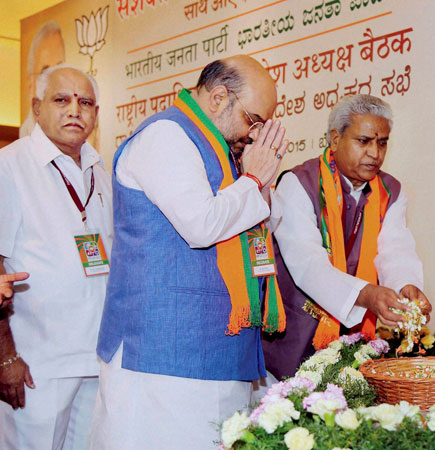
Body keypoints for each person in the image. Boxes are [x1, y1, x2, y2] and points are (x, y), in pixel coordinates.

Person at [89, 55, 288, 450]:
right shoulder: (166, 136)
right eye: (253, 120)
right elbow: (201, 225)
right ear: (219, 98)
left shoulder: (224, 152)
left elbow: (265, 221)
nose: (253, 135)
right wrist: (252, 178)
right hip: (162, 352)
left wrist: (258, 180)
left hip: (218, 349)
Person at [262, 94, 431, 381]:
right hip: (295, 329)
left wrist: (406, 286)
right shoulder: (299, 183)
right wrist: (366, 294)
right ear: (335, 139)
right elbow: (307, 264)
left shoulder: (390, 191)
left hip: (351, 332)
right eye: (363, 141)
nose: (375, 153)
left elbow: (394, 249)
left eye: (382, 143)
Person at [0, 64, 112, 449]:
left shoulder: (101, 171)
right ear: (37, 108)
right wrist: (5, 357)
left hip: (96, 360)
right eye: (61, 100)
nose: (74, 110)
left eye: (85, 103)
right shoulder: (10, 166)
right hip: (35, 366)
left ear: (96, 113)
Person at [20, 21, 66, 138]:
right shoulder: (24, 139)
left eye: (59, 69)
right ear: (30, 83)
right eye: (45, 72)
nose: (54, 80)